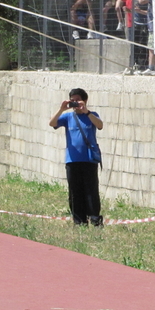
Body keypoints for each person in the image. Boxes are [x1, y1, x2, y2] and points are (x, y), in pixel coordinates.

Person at [48, 88, 104, 227]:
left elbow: (100, 125)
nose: (75, 103)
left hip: (89, 160)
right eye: (72, 100)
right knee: (75, 191)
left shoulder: (92, 115)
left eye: (77, 100)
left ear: (85, 101)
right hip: (72, 160)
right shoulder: (68, 117)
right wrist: (61, 109)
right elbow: (52, 123)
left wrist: (87, 112)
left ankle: (95, 218)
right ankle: (79, 220)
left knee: (91, 190)